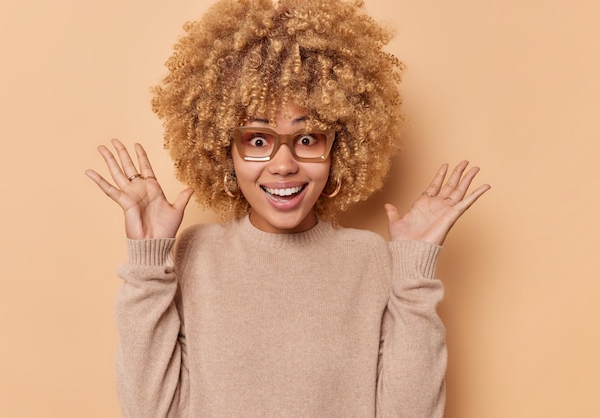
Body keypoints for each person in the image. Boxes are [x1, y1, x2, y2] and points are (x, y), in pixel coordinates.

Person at [85, 0, 490, 416]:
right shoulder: (196, 254)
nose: (283, 164)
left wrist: (414, 272)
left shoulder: (371, 261)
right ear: (225, 149)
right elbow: (148, 410)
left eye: (308, 138)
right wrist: (148, 264)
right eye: (257, 140)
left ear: (340, 149)